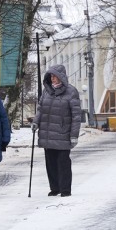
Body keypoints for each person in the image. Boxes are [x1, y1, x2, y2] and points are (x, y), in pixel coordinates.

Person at [33, 64, 81, 197]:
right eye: (51, 76)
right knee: (51, 163)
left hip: (63, 133)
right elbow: (41, 109)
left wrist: (74, 135)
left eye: (55, 76)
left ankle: (65, 189)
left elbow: (76, 116)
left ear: (62, 77)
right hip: (47, 133)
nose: (53, 79)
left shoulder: (71, 92)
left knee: (63, 162)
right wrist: (36, 122)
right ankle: (55, 188)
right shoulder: (46, 91)